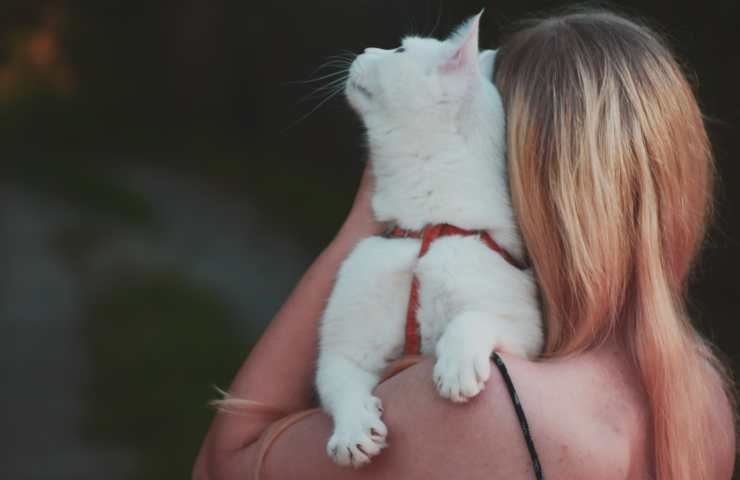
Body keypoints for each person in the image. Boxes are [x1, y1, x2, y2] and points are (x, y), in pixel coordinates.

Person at [193, 9, 737, 479]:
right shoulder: (702, 399)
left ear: (523, 176)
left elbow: (226, 461)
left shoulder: (484, 401)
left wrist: (378, 206)